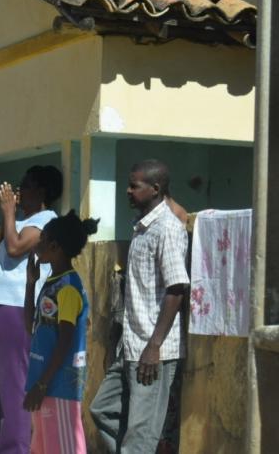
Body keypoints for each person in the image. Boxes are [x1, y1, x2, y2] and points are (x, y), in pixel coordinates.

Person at [90, 160, 189, 453]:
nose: (128, 191)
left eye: (135, 186)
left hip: (153, 350)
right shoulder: (143, 227)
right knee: (102, 410)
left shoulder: (167, 229)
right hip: (131, 346)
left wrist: (154, 346)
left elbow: (176, 288)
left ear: (155, 189)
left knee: (140, 436)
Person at [0, 165, 63, 454]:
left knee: (14, 382)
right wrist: (8, 215)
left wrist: (8, 213)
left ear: (41, 191)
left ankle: (15, 449)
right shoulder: (19, 219)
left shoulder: (46, 220)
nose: (18, 191)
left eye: (25, 185)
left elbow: (16, 248)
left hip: (17, 306)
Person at [23, 212, 98, 454]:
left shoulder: (68, 288)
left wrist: (42, 385)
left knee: (64, 448)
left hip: (59, 386)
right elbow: (30, 327)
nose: (37, 244)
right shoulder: (52, 283)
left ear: (54, 246)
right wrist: (30, 283)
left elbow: (65, 341)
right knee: (42, 448)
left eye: (42, 238)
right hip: (43, 382)